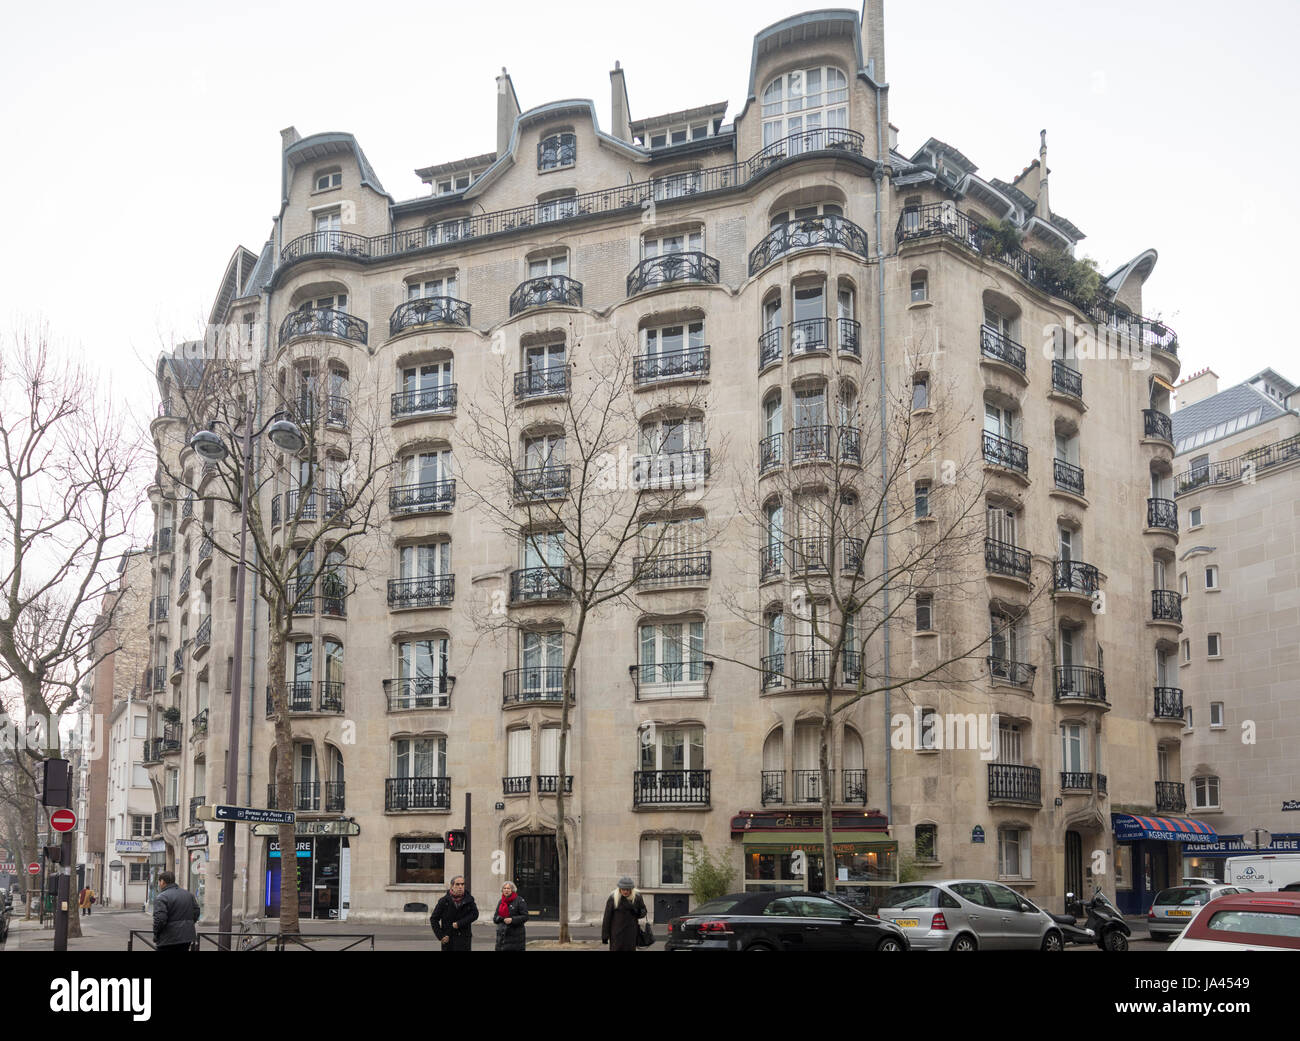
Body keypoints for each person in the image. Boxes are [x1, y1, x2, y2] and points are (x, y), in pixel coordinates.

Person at [152, 871, 200, 952]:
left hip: (168, 938)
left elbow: (160, 920)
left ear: (162, 881)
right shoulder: (188, 894)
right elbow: (196, 912)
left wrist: (156, 934)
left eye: (159, 882)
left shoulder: (161, 897)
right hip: (186, 937)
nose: (159, 884)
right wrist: (188, 924)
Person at [430, 875, 478, 951]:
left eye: (462, 884)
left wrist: (459, 923)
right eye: (457, 884)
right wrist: (441, 936)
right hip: (449, 938)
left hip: (464, 939)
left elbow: (475, 914)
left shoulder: (469, 899)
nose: (460, 887)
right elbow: (434, 919)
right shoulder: (444, 901)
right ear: (452, 886)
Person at [601, 876, 648, 951]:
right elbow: (607, 918)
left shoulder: (637, 897)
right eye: (623, 889)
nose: (625, 891)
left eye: (628, 889)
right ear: (619, 889)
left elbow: (644, 911)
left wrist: (637, 911)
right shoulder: (613, 898)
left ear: (631, 889)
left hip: (631, 933)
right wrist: (605, 936)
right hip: (616, 933)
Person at [493, 881, 528, 951]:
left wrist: (512, 920)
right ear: (502, 890)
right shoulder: (501, 901)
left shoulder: (519, 900)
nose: (506, 890)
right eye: (504, 888)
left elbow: (525, 916)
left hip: (516, 938)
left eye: (508, 888)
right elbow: (495, 918)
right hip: (502, 938)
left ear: (512, 890)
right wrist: (500, 918)